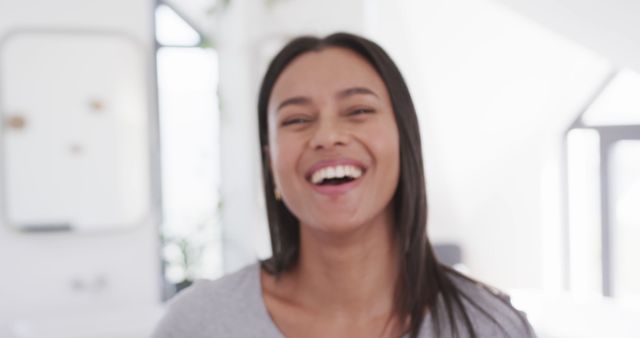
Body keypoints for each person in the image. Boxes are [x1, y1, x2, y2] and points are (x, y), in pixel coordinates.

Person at [153, 32, 536, 338]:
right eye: (297, 120)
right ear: (270, 161)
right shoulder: (197, 324)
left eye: (359, 111)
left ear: (405, 141)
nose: (328, 136)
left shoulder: (492, 327)